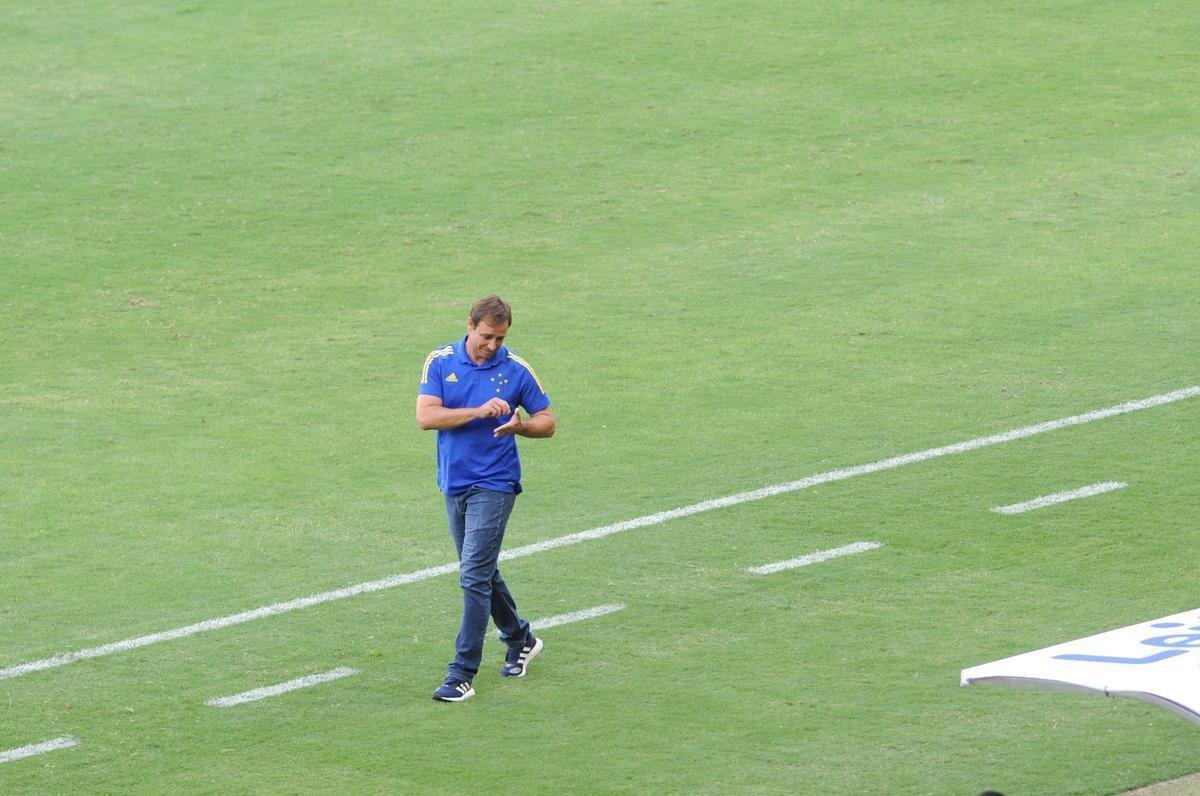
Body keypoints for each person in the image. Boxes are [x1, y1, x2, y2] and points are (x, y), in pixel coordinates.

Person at [416, 295, 557, 702]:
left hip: (495, 483)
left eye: (500, 338)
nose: (493, 345)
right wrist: (479, 412)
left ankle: (461, 674)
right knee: (480, 571)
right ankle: (521, 637)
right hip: (454, 482)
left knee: (473, 576)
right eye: (487, 336)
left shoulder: (515, 370)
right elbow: (426, 417)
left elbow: (547, 422)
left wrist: (521, 427)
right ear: (470, 325)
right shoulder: (441, 362)